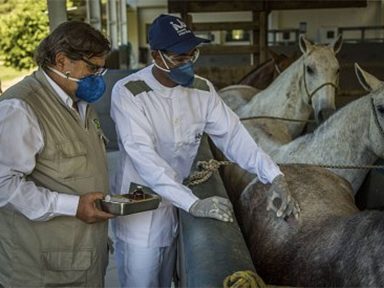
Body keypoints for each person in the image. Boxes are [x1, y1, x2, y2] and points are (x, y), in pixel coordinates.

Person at [110, 14, 300, 288]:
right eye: (179, 57)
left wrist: (273, 175)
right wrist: (193, 203)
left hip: (176, 204)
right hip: (142, 207)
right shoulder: (129, 92)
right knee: (141, 281)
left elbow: (234, 137)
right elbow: (144, 157)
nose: (187, 63)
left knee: (166, 280)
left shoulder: (202, 90)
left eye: (192, 54)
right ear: (156, 55)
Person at [0, 21, 114, 287]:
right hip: (43, 270)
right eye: (92, 68)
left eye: (101, 69)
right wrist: (73, 206)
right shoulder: (21, 107)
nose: (98, 77)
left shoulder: (80, 102)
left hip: (82, 259)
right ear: (62, 60)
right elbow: (4, 185)